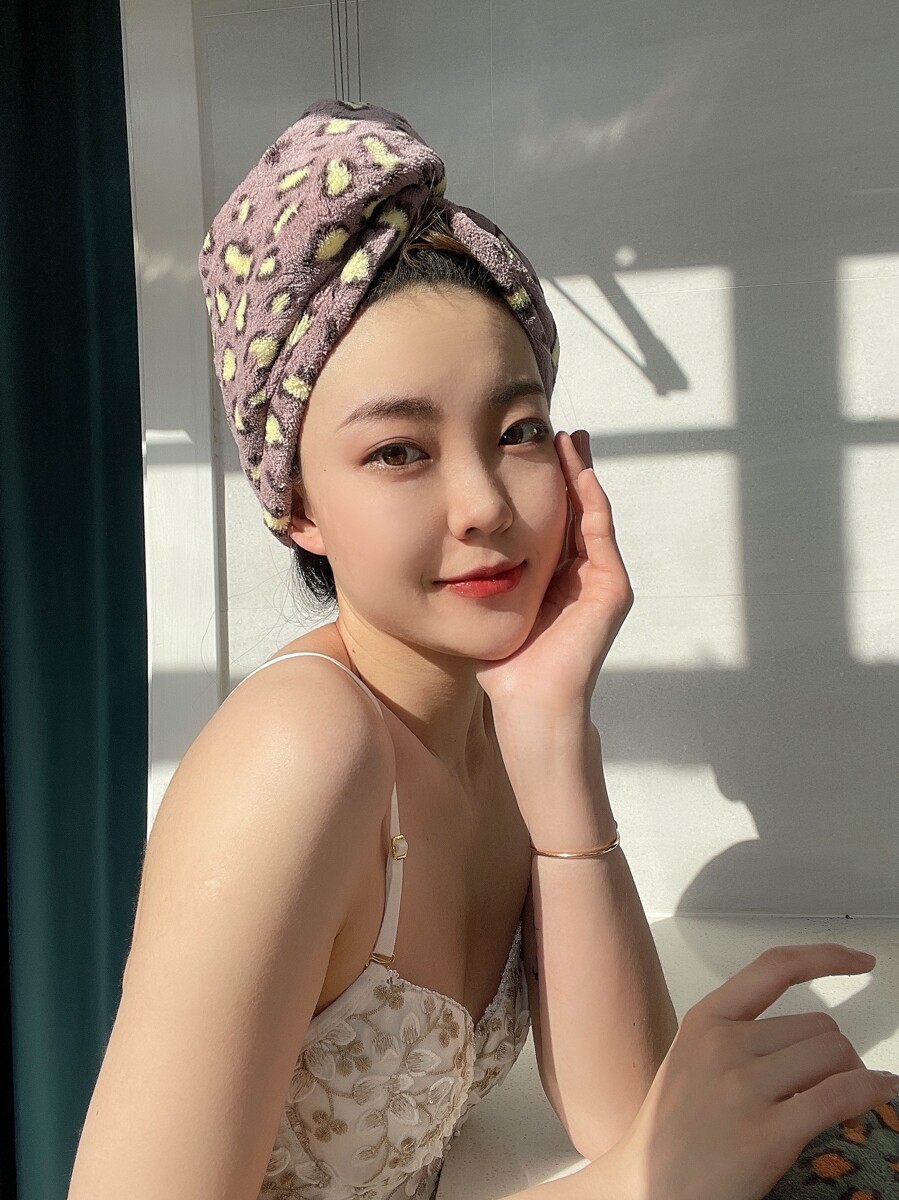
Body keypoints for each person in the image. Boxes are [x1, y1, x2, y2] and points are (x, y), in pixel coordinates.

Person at [67, 99, 898, 1200]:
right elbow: (641, 1164)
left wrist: (552, 729)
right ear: (296, 507)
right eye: (398, 452)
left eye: (516, 432)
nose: (485, 506)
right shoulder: (297, 755)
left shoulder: (492, 715)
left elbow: (621, 1108)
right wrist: (633, 1182)